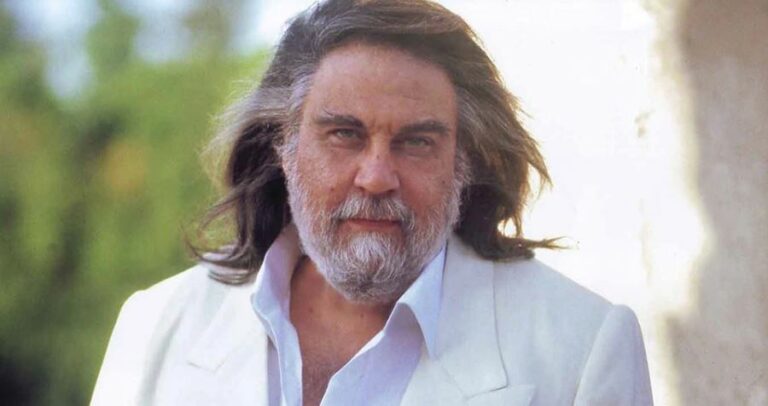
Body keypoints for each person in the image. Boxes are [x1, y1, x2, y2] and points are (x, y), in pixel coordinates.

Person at [91, 0, 653, 405]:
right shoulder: (155, 325)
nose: (377, 177)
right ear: (282, 145)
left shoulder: (583, 347)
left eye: (417, 142)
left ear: (465, 161)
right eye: (344, 134)